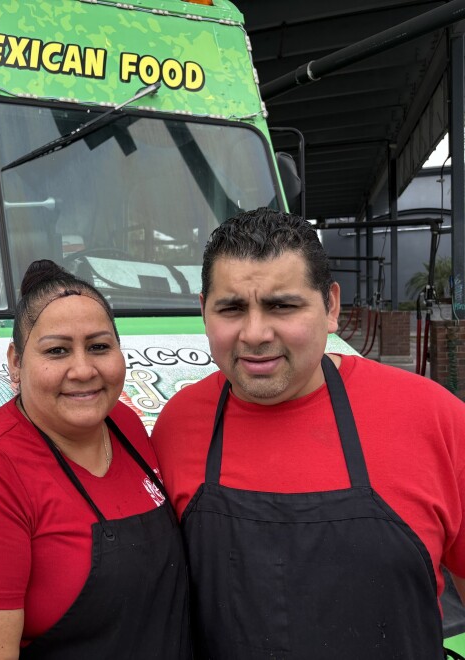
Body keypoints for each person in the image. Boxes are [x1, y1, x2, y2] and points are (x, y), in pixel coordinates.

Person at [151, 207, 465, 659]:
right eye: (232, 308)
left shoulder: (434, 418)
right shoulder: (177, 425)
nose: (255, 334)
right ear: (204, 312)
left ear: (331, 306)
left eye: (282, 305)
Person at [0, 259, 192, 659]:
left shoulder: (125, 425)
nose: (83, 370)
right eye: (57, 350)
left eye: (99, 347)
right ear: (16, 362)